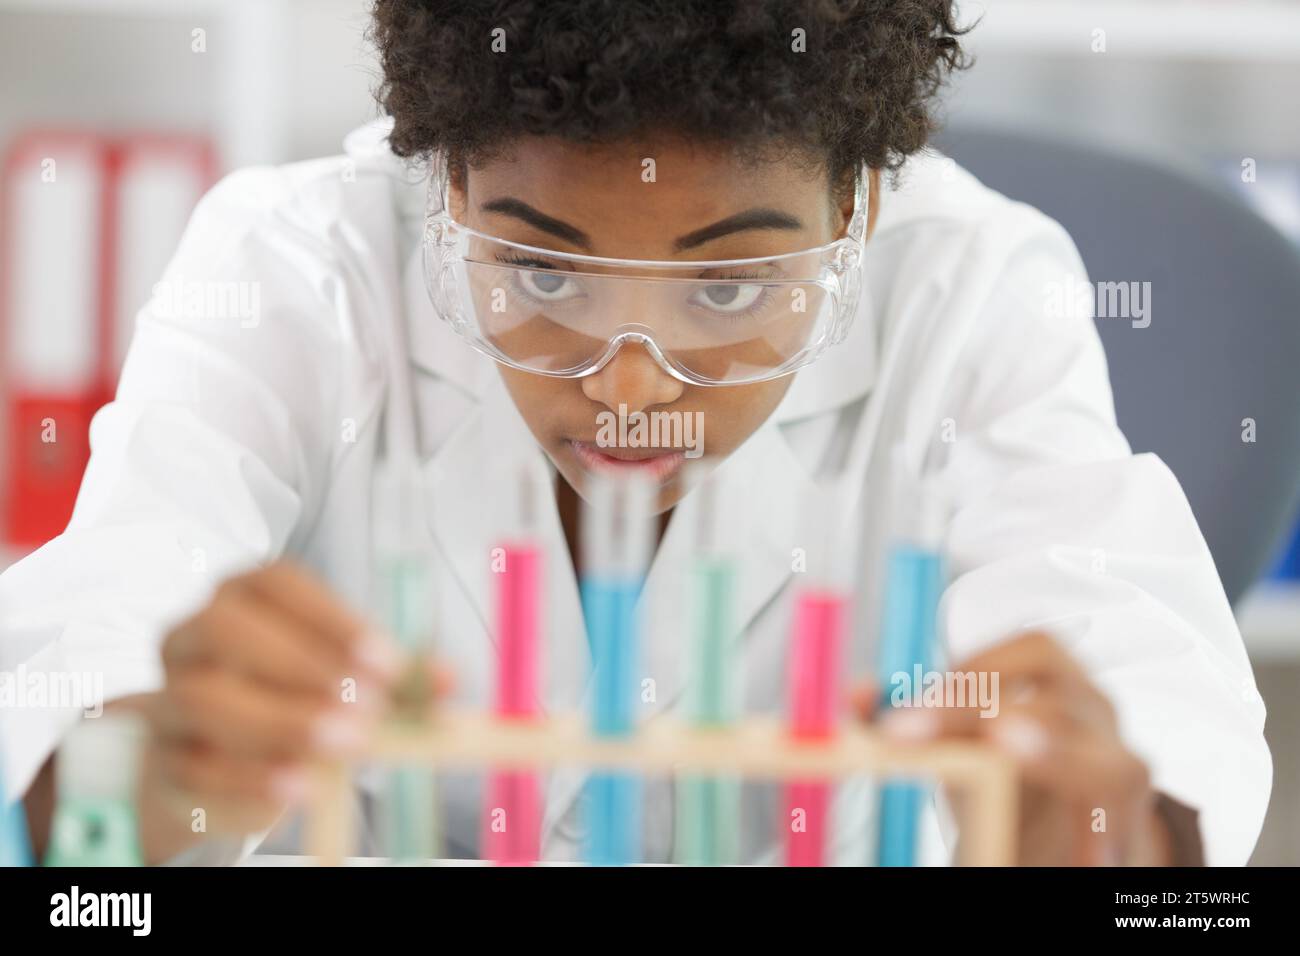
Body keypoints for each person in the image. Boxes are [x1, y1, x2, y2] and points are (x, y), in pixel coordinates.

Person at [1, 0, 1269, 866]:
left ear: (860, 205)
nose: (626, 392)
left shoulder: (972, 288)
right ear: (439, 183)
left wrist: (1125, 840)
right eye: (542, 276)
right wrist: (115, 788)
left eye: (726, 289)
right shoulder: (295, 267)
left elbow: (1156, 715)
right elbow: (84, 674)